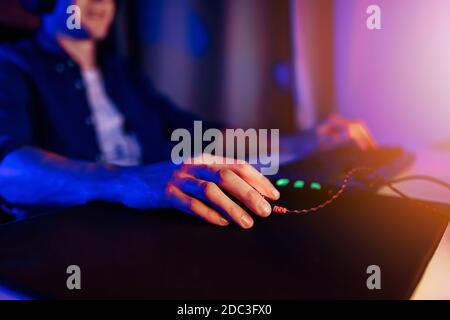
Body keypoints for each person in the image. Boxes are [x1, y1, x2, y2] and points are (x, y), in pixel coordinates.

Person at [0, 0, 377, 229]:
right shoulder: (11, 64)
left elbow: (197, 136)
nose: (102, 2)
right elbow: (8, 171)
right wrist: (127, 181)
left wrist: (303, 141)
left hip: (150, 226)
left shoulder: (122, 73)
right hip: (68, 237)